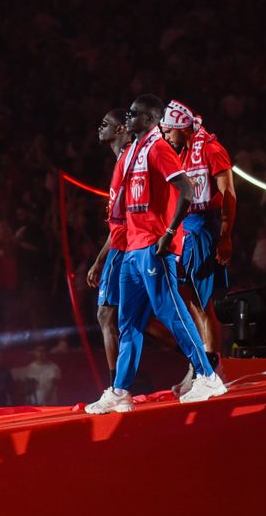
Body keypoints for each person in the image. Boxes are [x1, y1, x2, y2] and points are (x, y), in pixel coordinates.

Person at [86, 94, 227, 413]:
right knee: (129, 321)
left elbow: (188, 190)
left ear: (150, 120)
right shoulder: (132, 150)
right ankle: (120, 390)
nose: (129, 117)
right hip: (132, 248)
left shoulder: (157, 147)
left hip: (153, 245)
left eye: (135, 113)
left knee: (171, 311)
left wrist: (168, 233)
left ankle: (208, 375)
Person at [160, 99, 237, 386]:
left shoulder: (212, 149)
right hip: (186, 230)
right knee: (189, 299)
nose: (166, 136)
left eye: (169, 130)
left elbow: (228, 194)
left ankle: (211, 368)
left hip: (205, 227)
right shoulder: (183, 152)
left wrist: (226, 236)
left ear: (182, 127)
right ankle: (201, 364)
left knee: (202, 303)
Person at [86, 109, 131, 381]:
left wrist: (103, 259)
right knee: (141, 318)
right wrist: (99, 259)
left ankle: (116, 385)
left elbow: (124, 220)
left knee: (106, 315)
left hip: (127, 247)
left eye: (104, 124)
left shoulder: (126, 161)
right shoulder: (120, 163)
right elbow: (116, 221)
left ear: (119, 130)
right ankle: (198, 364)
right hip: (123, 245)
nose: (98, 128)